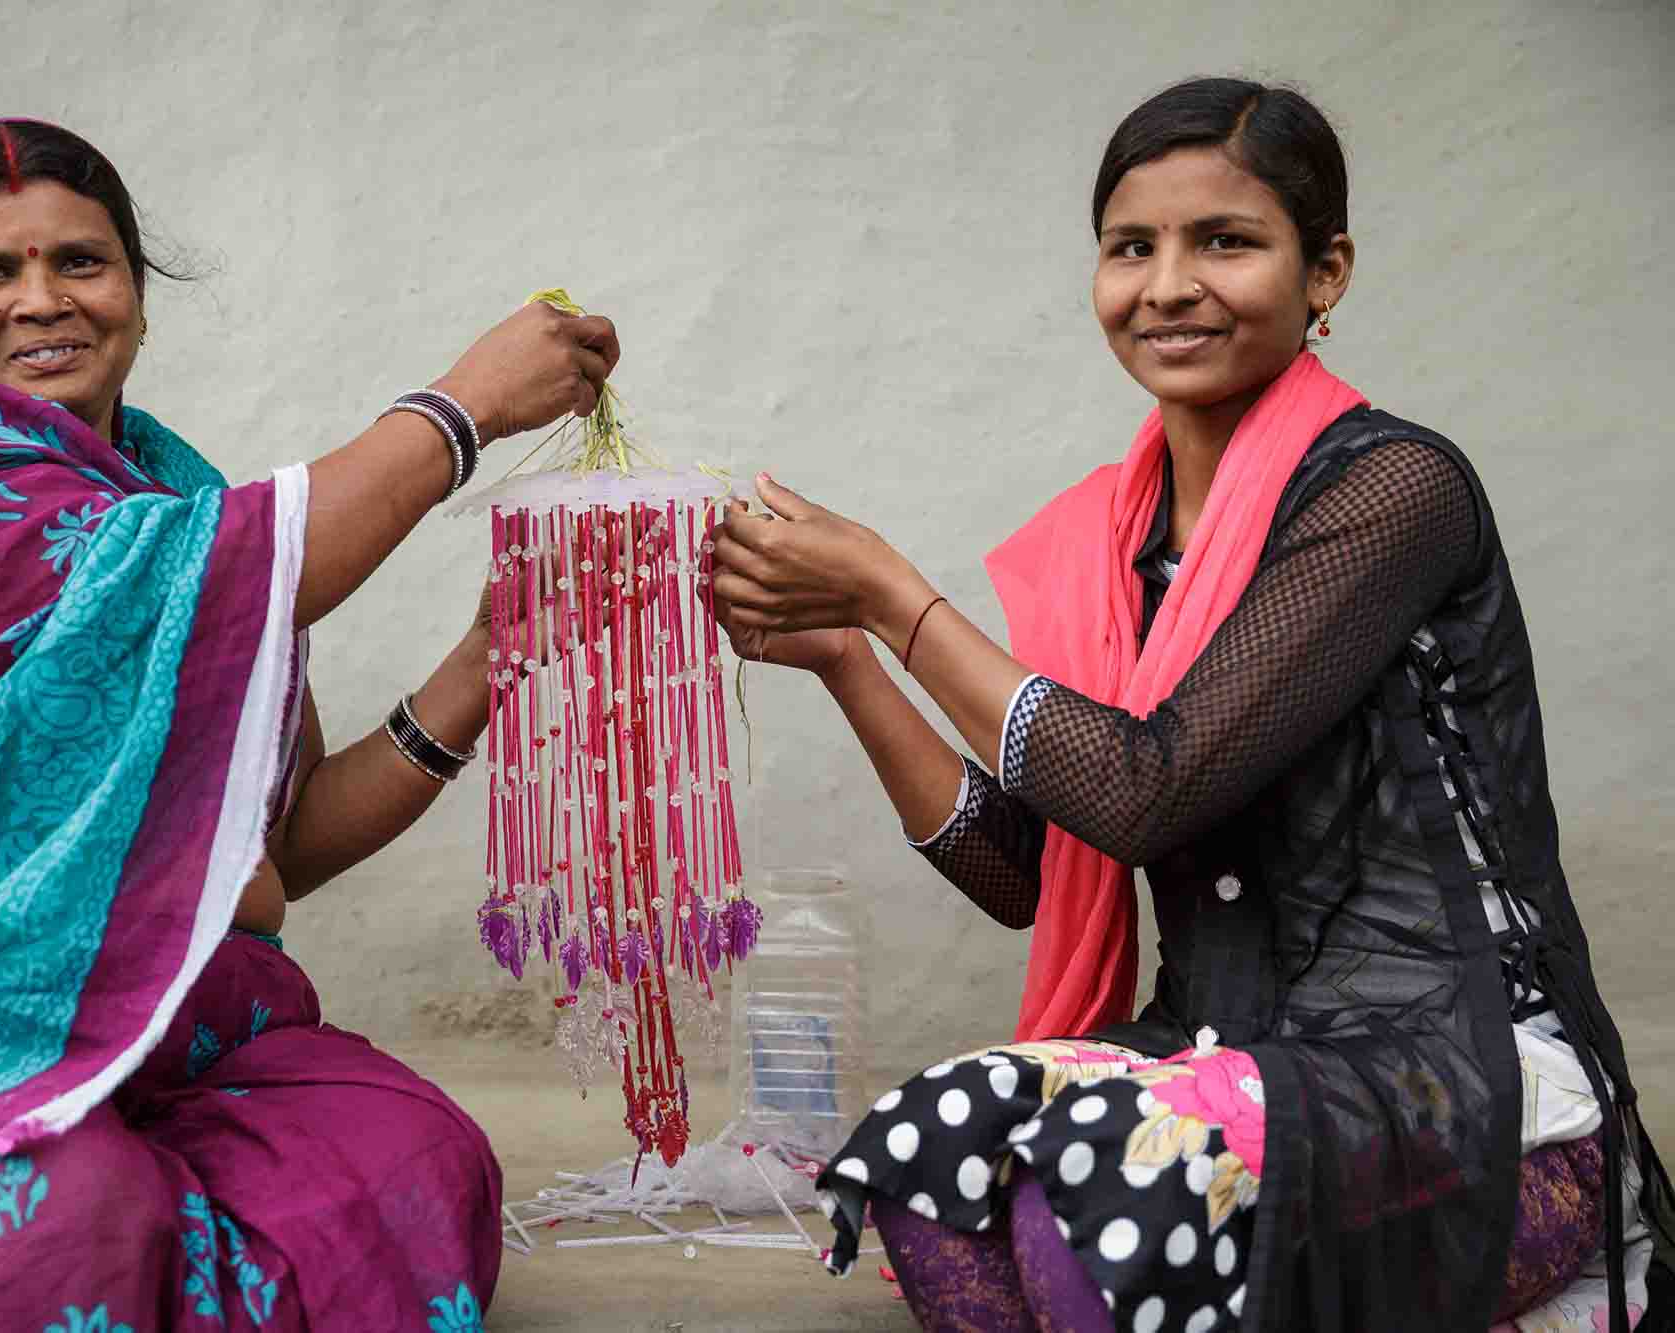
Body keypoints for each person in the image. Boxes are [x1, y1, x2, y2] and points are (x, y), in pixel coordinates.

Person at [708, 78, 1671, 1332]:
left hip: (1460, 1081)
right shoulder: (1115, 547)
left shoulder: (1391, 489)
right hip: (1220, 1055)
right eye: (1130, 247)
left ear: (1324, 274)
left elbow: (1140, 790)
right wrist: (847, 653)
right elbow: (1032, 874)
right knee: (929, 1154)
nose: (1166, 285)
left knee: (1109, 1200)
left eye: (1224, 240)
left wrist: (897, 599)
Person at [0, 117, 618, 1330]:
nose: (40, 301)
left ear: (135, 291)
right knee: (63, 1227)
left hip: (128, 1033)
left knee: (409, 1157)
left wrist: (491, 656)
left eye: (81, 261)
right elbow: (230, 567)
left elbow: (275, 849)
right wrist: (460, 410)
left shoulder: (166, 501)